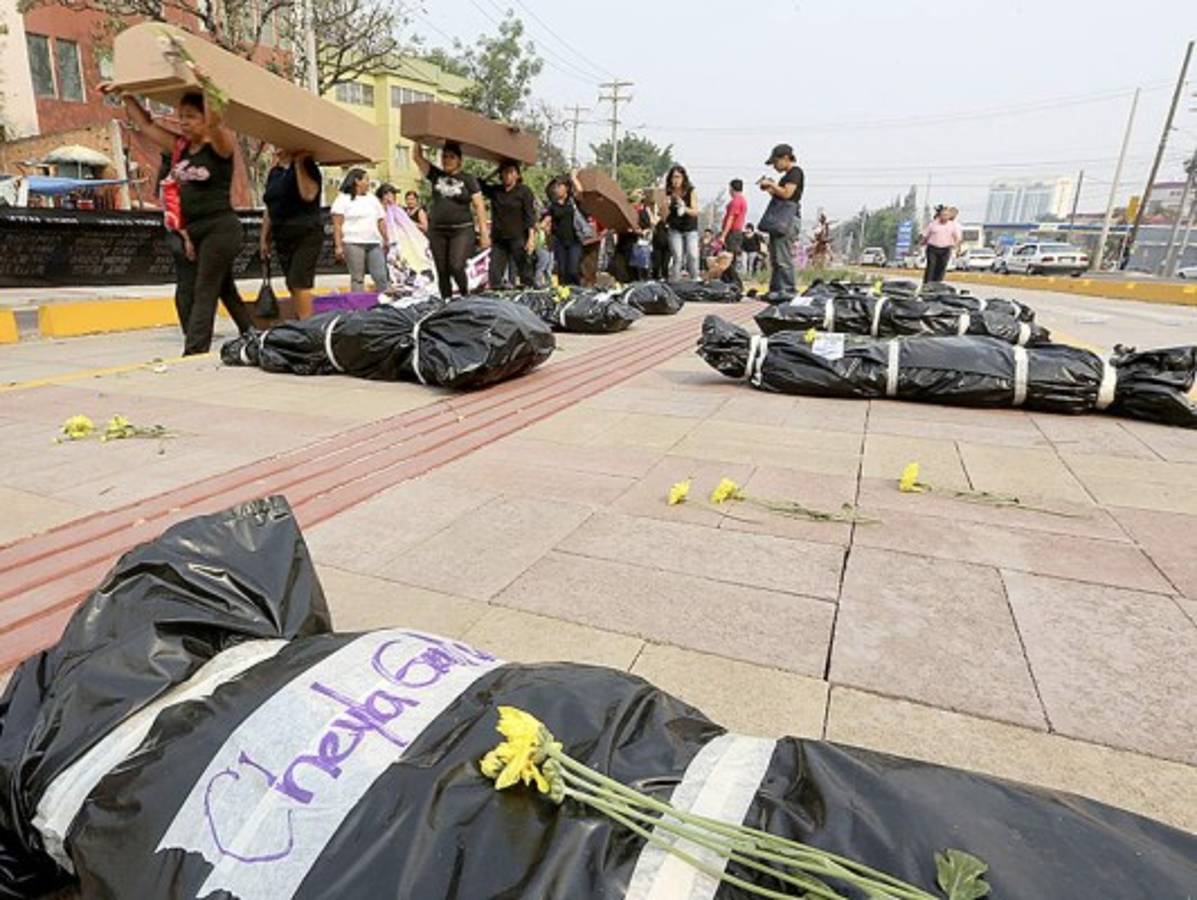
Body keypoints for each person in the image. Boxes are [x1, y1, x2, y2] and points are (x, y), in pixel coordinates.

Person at [101, 83, 252, 354]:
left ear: (206, 118)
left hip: (221, 229)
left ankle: (194, 351)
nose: (184, 122)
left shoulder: (220, 146)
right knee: (224, 288)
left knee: (203, 288)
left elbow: (218, 124)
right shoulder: (179, 147)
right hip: (193, 230)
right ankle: (253, 335)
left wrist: (208, 87)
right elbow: (146, 126)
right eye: (181, 116)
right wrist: (125, 93)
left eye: (192, 116)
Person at [413, 142, 490, 297]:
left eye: (451, 157)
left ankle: (464, 295)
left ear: (459, 161)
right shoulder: (436, 175)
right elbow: (417, 157)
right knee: (442, 270)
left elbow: (479, 206)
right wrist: (418, 138)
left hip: (461, 230)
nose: (447, 160)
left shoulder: (468, 179)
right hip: (438, 231)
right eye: (444, 157)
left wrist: (484, 233)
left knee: (456, 265)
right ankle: (446, 303)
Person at [260, 146, 323, 318]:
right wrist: (264, 238)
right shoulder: (275, 173)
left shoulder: (307, 167)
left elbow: (309, 194)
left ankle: (308, 327)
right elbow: (270, 206)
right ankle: (302, 318)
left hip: (306, 233)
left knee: (299, 281)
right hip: (282, 236)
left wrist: (299, 163)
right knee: (291, 283)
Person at [481, 160, 536, 289]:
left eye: (511, 172)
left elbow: (530, 215)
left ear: (517, 175)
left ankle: (530, 293)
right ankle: (496, 297)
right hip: (499, 238)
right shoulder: (496, 191)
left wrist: (531, 238)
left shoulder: (524, 191)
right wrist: (495, 171)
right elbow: (479, 184)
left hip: (518, 237)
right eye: (505, 172)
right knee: (494, 273)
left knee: (525, 271)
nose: (507, 175)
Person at [331, 169, 388, 293]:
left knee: (381, 276)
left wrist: (386, 239)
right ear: (357, 181)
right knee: (358, 278)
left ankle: (386, 303)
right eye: (366, 180)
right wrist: (338, 246)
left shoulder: (372, 199)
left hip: (374, 242)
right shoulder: (343, 199)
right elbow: (337, 225)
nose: (369, 183)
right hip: (353, 242)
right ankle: (358, 307)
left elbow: (381, 220)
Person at [758, 143, 804, 295]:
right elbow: (781, 195)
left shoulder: (795, 172)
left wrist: (772, 184)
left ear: (785, 158)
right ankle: (777, 290)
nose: (775, 166)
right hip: (781, 220)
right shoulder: (786, 176)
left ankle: (788, 290)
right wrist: (770, 189)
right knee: (776, 258)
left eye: (776, 162)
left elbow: (787, 194)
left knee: (783, 258)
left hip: (788, 220)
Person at [545, 171, 585, 286]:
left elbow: (580, 191)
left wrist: (573, 177)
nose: (556, 189)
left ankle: (576, 291)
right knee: (562, 271)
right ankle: (563, 293)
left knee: (573, 270)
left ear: (566, 188)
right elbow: (547, 221)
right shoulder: (552, 205)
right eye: (555, 187)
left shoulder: (573, 202)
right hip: (559, 242)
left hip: (574, 241)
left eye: (559, 186)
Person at [664, 165, 699, 279]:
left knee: (692, 255)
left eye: (678, 177)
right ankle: (675, 282)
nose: (675, 180)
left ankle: (695, 280)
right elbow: (663, 213)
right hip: (675, 229)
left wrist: (684, 208)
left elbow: (695, 211)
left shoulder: (690, 191)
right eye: (673, 177)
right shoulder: (668, 192)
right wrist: (665, 205)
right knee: (677, 256)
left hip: (690, 228)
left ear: (683, 178)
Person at [920, 204, 962, 283]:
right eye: (943, 215)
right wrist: (922, 244)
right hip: (933, 249)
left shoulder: (952, 226)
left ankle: (938, 283)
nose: (945, 217)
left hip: (945, 249)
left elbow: (957, 238)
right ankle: (927, 284)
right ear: (940, 216)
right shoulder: (933, 224)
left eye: (946, 215)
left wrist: (957, 248)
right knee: (931, 266)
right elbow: (925, 235)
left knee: (942, 267)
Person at [720, 178, 748, 268]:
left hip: (733, 232)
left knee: (729, 257)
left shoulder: (735, 202)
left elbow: (730, 219)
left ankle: (731, 278)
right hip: (737, 231)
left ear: (731, 188)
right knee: (733, 256)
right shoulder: (742, 200)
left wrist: (723, 235)